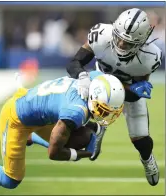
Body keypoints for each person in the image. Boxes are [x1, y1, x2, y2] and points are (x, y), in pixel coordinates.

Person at [0, 71, 125, 190]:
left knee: (75, 139)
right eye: (104, 110)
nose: (107, 114)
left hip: (38, 109)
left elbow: (109, 84)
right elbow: (54, 153)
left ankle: (30, 137)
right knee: (11, 179)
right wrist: (84, 154)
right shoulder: (75, 111)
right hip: (16, 118)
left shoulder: (96, 79)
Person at [66, 8, 162, 186]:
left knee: (140, 138)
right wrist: (82, 76)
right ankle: (99, 128)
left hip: (126, 90)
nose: (121, 45)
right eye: (119, 38)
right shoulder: (101, 35)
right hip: (100, 84)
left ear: (142, 42)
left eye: (128, 43)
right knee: (79, 123)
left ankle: (147, 159)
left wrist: (135, 89)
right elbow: (74, 62)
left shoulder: (151, 57)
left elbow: (134, 96)